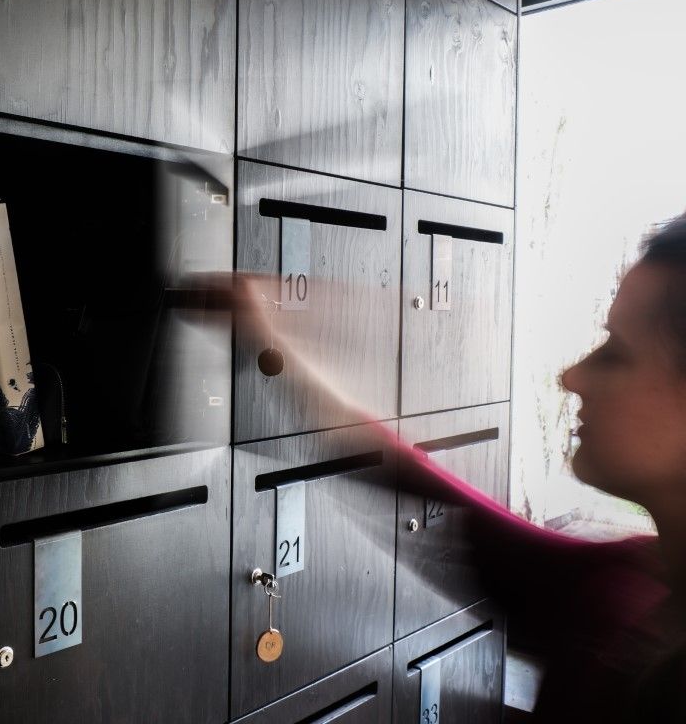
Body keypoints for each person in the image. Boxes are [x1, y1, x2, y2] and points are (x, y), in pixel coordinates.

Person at [226, 213, 686, 721]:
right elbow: (455, 512)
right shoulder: (629, 582)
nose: (572, 376)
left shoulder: (633, 615)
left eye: (617, 353)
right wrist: (276, 353)